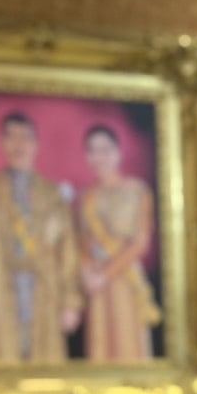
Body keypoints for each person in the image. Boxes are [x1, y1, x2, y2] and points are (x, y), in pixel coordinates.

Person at [0, 111, 82, 362]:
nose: (19, 145)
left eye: (25, 138)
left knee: (46, 364)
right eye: (11, 137)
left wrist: (70, 302)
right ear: (1, 144)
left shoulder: (54, 195)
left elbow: (68, 252)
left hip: (46, 290)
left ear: (36, 145)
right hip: (1, 287)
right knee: (3, 362)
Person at [78, 125, 160, 362]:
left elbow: (141, 242)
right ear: (87, 156)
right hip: (97, 286)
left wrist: (107, 275)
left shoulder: (137, 191)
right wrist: (87, 272)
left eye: (105, 149)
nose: (99, 156)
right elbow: (83, 240)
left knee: (129, 346)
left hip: (126, 279)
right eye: (93, 150)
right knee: (100, 348)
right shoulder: (86, 196)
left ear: (118, 152)